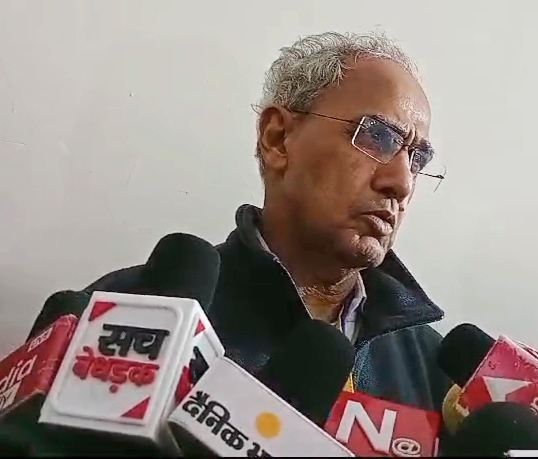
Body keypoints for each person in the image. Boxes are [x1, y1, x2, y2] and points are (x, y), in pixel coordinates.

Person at [37, 32, 451, 411]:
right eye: (378, 136)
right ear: (277, 139)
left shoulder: (437, 373)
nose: (401, 183)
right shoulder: (123, 318)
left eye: (417, 159)